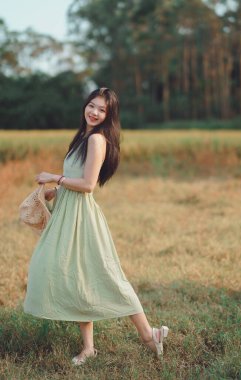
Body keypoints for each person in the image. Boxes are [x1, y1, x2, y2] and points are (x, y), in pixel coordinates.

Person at [23, 87, 169, 365]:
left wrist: (54, 177)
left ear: (109, 115)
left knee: (109, 276)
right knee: (76, 277)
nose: (94, 112)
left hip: (83, 218)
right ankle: (89, 348)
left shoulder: (97, 140)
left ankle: (150, 335)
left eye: (102, 110)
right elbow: (76, 179)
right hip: (69, 212)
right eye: (92, 106)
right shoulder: (83, 137)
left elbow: (88, 185)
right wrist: (57, 191)